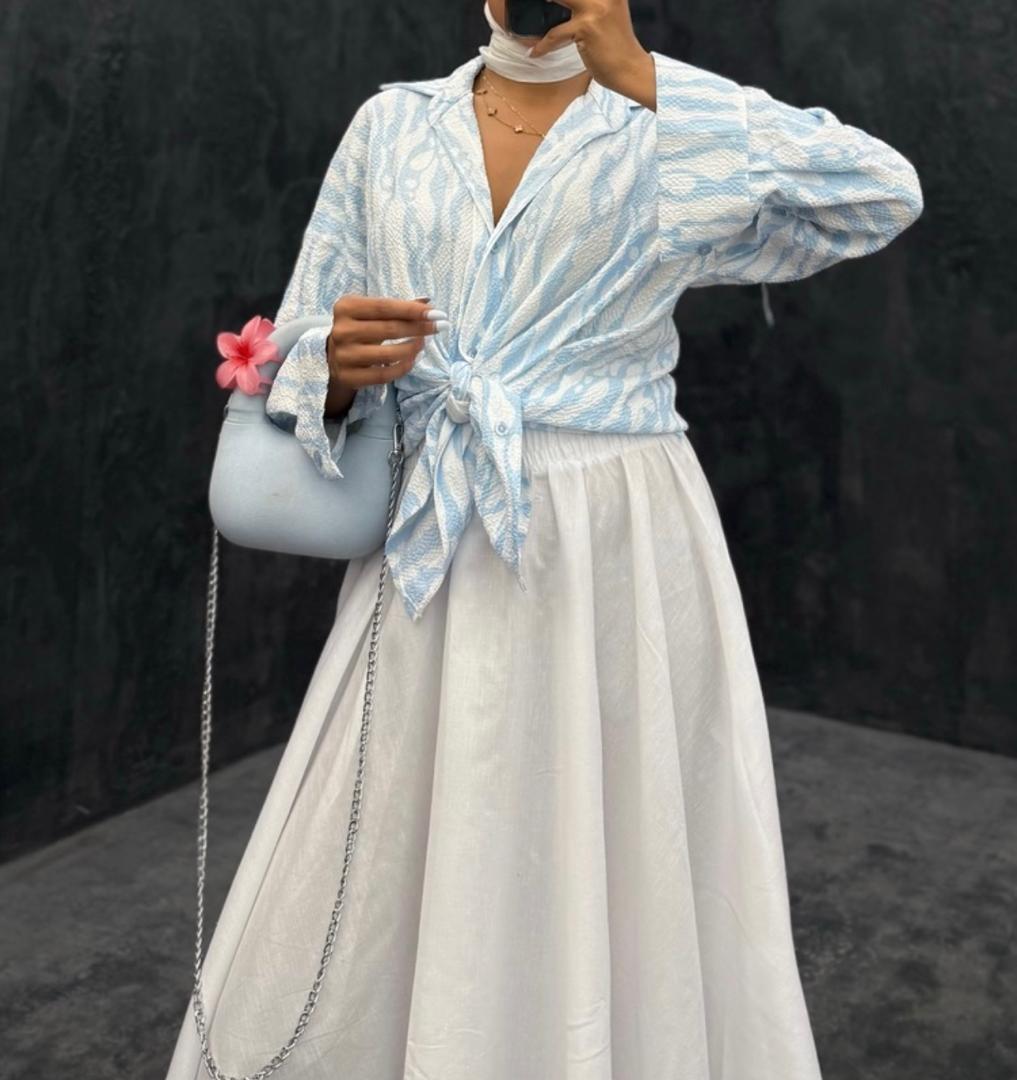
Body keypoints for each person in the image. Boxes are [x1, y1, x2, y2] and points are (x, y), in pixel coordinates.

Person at [166, 1, 923, 1077]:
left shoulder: (662, 121)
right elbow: (304, 328)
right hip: (435, 523)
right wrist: (328, 369)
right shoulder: (393, 125)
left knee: (613, 810)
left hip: (613, 526)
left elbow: (878, 194)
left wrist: (644, 75)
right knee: (404, 809)